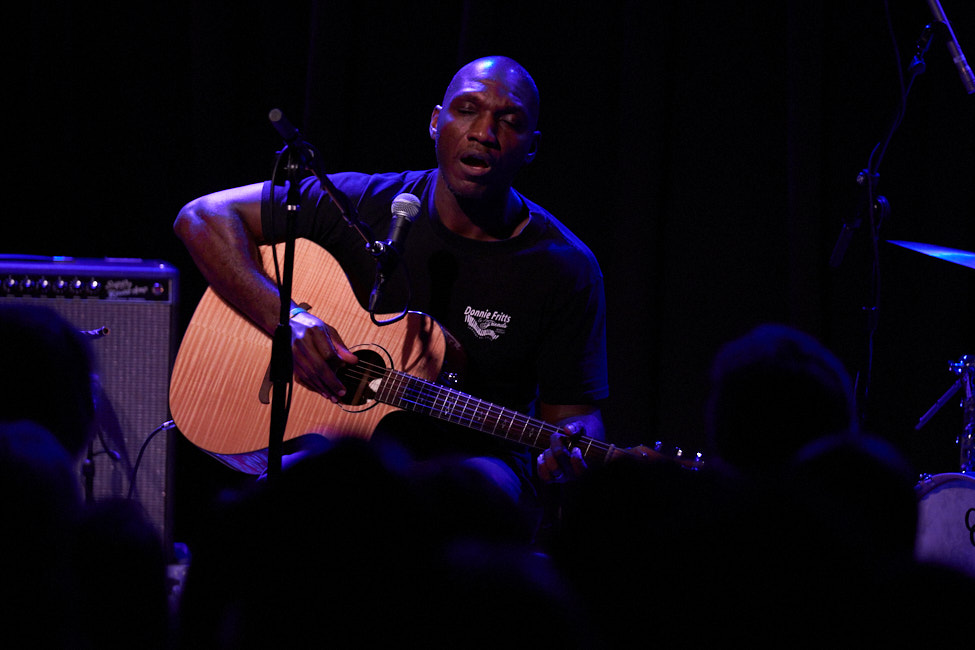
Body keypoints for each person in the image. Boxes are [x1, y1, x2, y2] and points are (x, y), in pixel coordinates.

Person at [174, 56, 608, 516]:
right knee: (274, 508)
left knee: (467, 504)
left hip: (478, 457)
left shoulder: (565, 267)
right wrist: (288, 319)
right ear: (436, 123)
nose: (484, 132)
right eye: (467, 110)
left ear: (532, 147)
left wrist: (577, 447)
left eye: (510, 120)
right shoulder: (361, 203)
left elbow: (573, 416)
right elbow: (201, 217)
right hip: (348, 446)